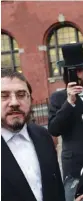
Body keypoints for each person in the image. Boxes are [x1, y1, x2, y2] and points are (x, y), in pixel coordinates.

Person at [1, 69, 65, 201]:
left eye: (21, 94)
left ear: (30, 99)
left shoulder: (43, 136)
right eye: (4, 95)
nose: (14, 103)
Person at [48, 43, 83, 201]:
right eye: (72, 71)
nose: (77, 75)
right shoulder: (59, 98)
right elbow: (54, 129)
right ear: (66, 74)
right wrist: (69, 102)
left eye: (80, 70)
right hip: (74, 167)